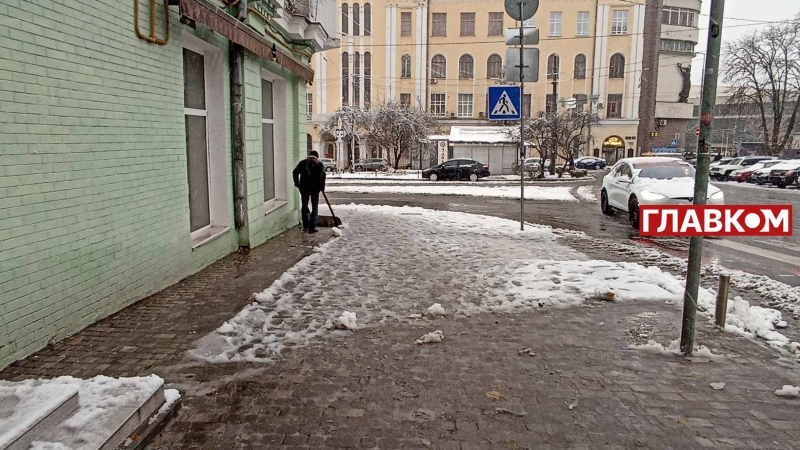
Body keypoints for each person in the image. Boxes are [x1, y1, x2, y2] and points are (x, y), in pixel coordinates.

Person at [292, 150, 327, 233]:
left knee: (304, 205)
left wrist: (297, 183)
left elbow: (295, 172)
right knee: (315, 206)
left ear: (309, 155)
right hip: (315, 189)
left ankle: (305, 225)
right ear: (317, 157)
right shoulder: (319, 164)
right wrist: (322, 187)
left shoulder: (302, 163)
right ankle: (312, 227)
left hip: (304, 188)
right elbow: (323, 176)